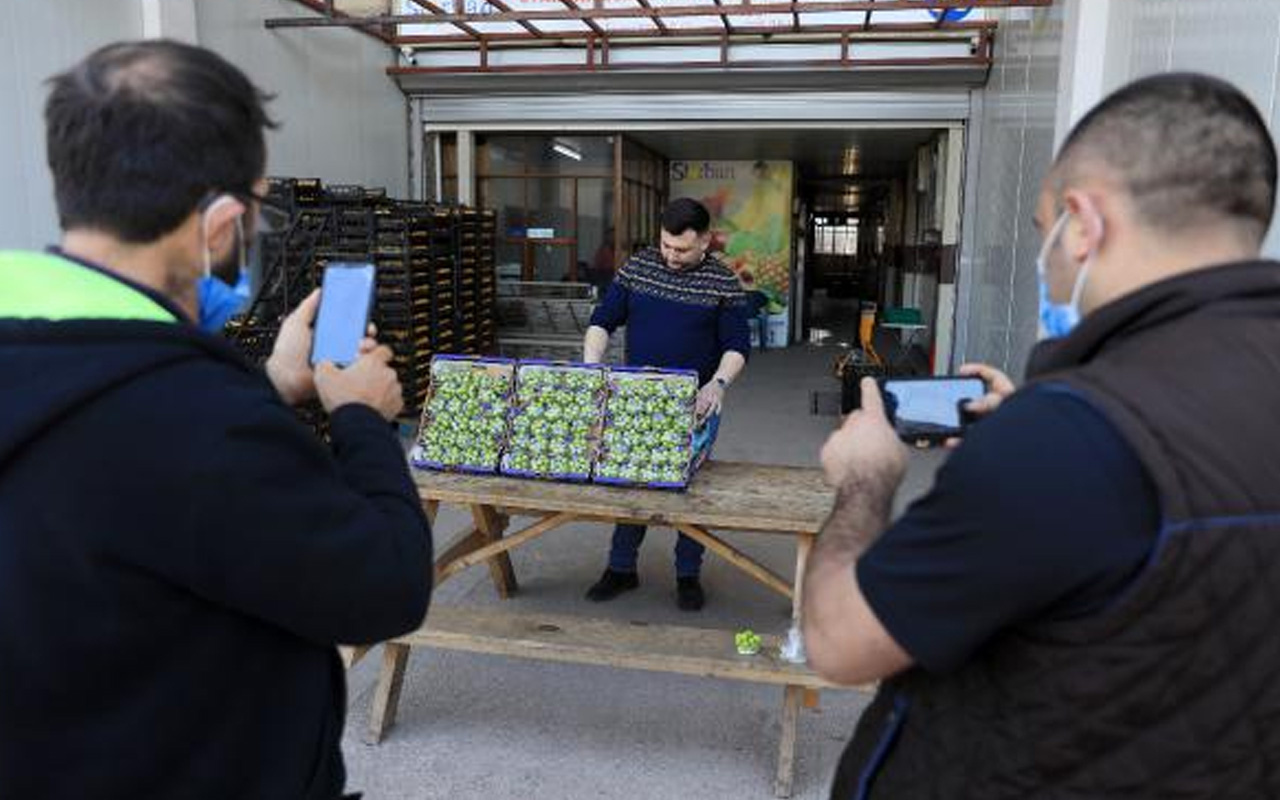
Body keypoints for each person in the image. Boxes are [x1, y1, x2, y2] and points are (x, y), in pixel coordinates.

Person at [803, 72, 1280, 798]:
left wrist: (867, 476)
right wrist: (1035, 423)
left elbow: (839, 642)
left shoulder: (1070, 434)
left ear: (1084, 224)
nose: (1047, 265)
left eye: (1043, 232)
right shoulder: (1080, 427)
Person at [0, 41, 433, 800]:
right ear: (221, 220)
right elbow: (385, 586)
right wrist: (362, 416)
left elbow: (137, 486)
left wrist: (268, 383)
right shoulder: (194, 415)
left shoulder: (55, 361)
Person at [583, 198, 750, 611]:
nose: (672, 257)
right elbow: (603, 320)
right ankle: (621, 567)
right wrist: (591, 367)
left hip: (696, 404)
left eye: (682, 249)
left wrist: (718, 384)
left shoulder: (723, 283)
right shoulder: (638, 268)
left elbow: (737, 346)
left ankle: (688, 574)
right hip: (636, 399)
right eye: (666, 246)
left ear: (706, 241)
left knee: (689, 488)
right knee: (630, 479)